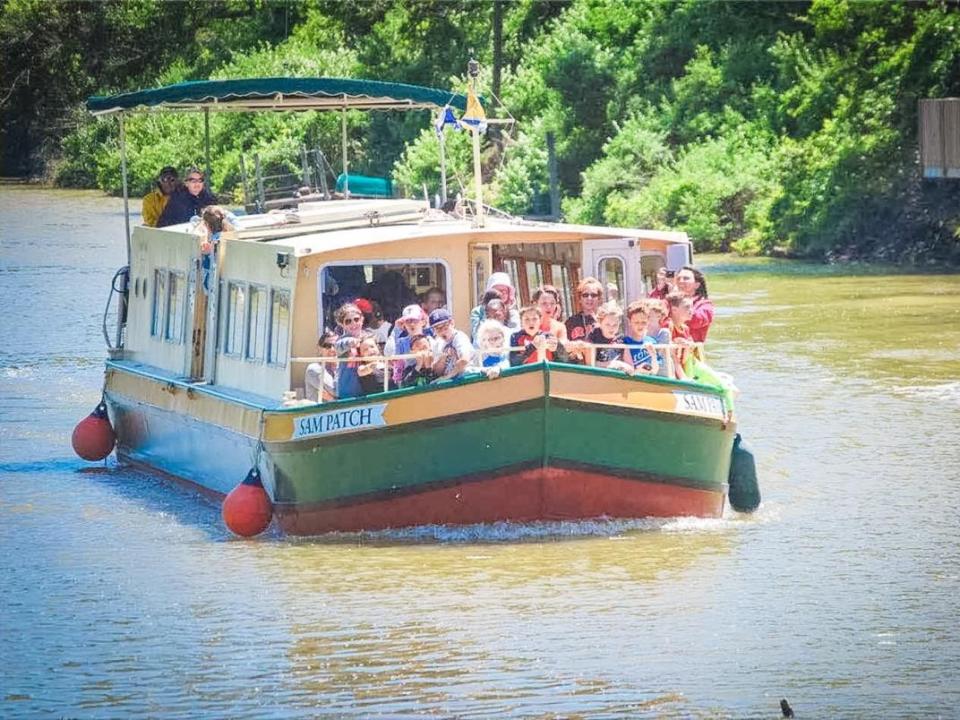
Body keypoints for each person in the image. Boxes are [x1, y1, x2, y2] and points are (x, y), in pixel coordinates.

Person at [622, 300, 669, 376]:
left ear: (648, 322)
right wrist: (639, 370)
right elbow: (628, 372)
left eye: (643, 322)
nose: (640, 326)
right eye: (636, 322)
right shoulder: (625, 342)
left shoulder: (652, 341)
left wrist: (653, 355)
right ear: (630, 322)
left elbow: (655, 371)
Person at [565, 276, 603, 363]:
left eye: (593, 295)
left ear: (599, 299)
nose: (589, 298)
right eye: (585, 295)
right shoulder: (571, 322)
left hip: (600, 367)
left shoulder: (605, 321)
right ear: (580, 299)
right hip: (578, 369)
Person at [333, 303, 367, 398]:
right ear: (342, 324)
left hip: (368, 390)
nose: (353, 324)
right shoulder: (341, 340)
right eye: (348, 321)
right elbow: (338, 346)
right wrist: (351, 342)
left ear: (362, 319)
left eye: (356, 319)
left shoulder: (368, 337)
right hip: (349, 392)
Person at [470, 272, 520, 338]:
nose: (501, 294)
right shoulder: (477, 311)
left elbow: (515, 335)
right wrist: (488, 311)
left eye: (504, 291)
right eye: (498, 290)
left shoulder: (512, 313)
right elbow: (477, 335)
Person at [587, 301, 633, 374]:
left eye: (615, 325)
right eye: (607, 324)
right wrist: (613, 364)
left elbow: (630, 367)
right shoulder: (593, 338)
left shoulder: (621, 341)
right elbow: (590, 364)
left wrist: (624, 366)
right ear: (600, 323)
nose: (611, 328)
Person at [429, 308, 473, 381]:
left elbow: (464, 360)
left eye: (445, 327)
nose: (442, 331)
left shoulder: (459, 337)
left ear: (452, 323)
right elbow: (437, 371)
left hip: (466, 377)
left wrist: (448, 377)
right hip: (449, 380)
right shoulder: (438, 343)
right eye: (438, 328)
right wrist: (443, 357)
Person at [675, 265, 714, 343]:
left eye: (686, 278)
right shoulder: (670, 301)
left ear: (697, 285)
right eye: (678, 278)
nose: (681, 281)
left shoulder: (705, 306)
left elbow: (696, 321)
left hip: (693, 351)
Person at [665, 291, 695, 380]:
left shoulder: (685, 328)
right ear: (674, 309)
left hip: (683, 367)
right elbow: (670, 354)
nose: (691, 310)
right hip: (672, 372)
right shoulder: (668, 325)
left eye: (691, 307)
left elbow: (686, 358)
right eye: (687, 307)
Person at [304, 330, 338, 403]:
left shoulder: (340, 368)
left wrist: (331, 399)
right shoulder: (313, 369)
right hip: (320, 413)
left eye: (336, 345)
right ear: (319, 348)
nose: (332, 349)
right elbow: (335, 391)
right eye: (327, 346)